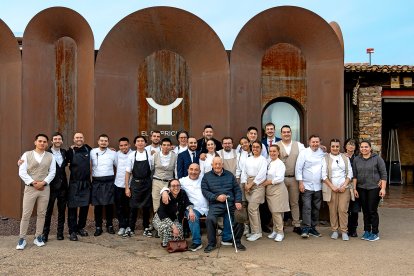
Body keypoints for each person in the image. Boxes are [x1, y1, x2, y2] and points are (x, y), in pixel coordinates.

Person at [16, 134, 56, 250]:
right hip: (30, 188)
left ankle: (38, 236)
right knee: (26, 214)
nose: (42, 143)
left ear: (47, 144)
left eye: (44, 142)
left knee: (42, 214)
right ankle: (22, 238)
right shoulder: (27, 154)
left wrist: (43, 183)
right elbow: (22, 172)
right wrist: (34, 183)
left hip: (44, 189)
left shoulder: (50, 156)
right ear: (35, 142)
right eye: (40, 141)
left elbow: (52, 172)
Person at [161, 163, 208, 251]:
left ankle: (216, 241)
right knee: (192, 217)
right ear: (188, 170)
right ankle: (197, 242)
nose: (193, 172)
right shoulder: (183, 181)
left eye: (196, 170)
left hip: (207, 207)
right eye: (191, 169)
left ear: (200, 171)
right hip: (192, 208)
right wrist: (164, 191)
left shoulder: (205, 179)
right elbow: (171, 185)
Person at [202, 157, 245, 252]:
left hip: (230, 203)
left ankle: (237, 241)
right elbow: (205, 191)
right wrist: (216, 197)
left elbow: (237, 190)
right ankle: (211, 243)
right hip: (216, 204)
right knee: (210, 219)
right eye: (215, 164)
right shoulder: (206, 176)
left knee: (240, 217)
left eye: (219, 164)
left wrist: (238, 201)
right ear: (212, 165)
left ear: (222, 164)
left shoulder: (229, 175)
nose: (217, 166)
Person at [352, 140, 387, 242]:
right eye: (362, 147)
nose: (364, 149)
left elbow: (383, 174)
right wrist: (354, 189)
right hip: (361, 188)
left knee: (372, 210)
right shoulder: (356, 159)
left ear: (370, 148)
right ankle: (367, 231)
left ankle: (375, 233)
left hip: (374, 188)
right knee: (365, 211)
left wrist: (383, 188)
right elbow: (354, 175)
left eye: (366, 147)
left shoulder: (377, 159)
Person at [276, 125, 306, 235]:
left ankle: (296, 224)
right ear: (281, 133)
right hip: (281, 178)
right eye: (284, 132)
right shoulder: (276, 145)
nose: (286, 134)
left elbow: (307, 155)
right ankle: (281, 225)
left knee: (294, 202)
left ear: (291, 133)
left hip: (294, 178)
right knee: (281, 202)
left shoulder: (299, 145)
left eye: (288, 132)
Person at [322, 139, 353, 241]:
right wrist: (332, 186)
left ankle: (344, 231)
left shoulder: (345, 157)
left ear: (340, 147)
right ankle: (334, 230)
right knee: (333, 210)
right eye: (333, 146)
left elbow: (350, 173)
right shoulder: (325, 158)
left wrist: (344, 185)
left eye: (337, 146)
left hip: (344, 188)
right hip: (331, 188)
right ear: (330, 147)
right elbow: (323, 175)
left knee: (343, 210)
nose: (335, 148)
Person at [295, 134, 325, 238]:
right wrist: (300, 183)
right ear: (309, 142)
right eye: (313, 142)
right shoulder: (304, 153)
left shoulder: (323, 153)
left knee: (316, 208)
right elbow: (298, 168)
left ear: (319, 143)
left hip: (318, 186)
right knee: (307, 207)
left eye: (317, 142)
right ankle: (306, 228)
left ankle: (313, 228)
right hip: (306, 185)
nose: (315, 144)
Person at [124, 135, 153, 237]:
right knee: (133, 207)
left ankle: (146, 227)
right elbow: (128, 172)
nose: (140, 143)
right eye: (138, 141)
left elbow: (152, 169)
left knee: (146, 207)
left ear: (145, 144)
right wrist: (127, 187)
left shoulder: (150, 155)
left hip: (147, 184)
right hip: (135, 184)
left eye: (142, 141)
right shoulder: (132, 155)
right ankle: (131, 228)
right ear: (135, 144)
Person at [43, 132, 68, 242]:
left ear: (62, 141)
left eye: (59, 139)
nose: (57, 141)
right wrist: (20, 162)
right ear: (52, 141)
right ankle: (45, 234)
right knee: (48, 211)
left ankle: (60, 233)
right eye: (55, 139)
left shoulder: (64, 152)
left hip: (63, 187)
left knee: (62, 211)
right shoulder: (46, 153)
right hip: (50, 187)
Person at [67, 132, 92, 241]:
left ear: (83, 138)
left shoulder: (88, 149)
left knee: (84, 207)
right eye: (77, 137)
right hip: (74, 183)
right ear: (73, 139)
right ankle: (72, 231)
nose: (79, 139)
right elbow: (58, 158)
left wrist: (110, 149)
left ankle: (80, 228)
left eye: (81, 137)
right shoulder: (70, 151)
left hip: (86, 183)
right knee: (72, 208)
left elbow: (100, 151)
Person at [90, 134, 117, 236]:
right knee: (98, 206)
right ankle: (98, 227)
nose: (103, 142)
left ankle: (110, 226)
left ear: (108, 142)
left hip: (109, 181)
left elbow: (118, 166)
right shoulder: (92, 151)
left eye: (105, 141)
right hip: (97, 181)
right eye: (101, 140)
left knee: (109, 205)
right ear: (98, 141)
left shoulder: (113, 153)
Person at [153, 179, 192, 247]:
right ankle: (167, 245)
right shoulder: (165, 196)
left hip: (175, 219)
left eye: (178, 185)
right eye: (173, 186)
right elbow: (162, 214)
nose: (176, 188)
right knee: (166, 228)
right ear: (169, 188)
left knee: (179, 230)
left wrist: (191, 211)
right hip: (161, 219)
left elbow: (187, 203)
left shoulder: (182, 193)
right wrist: (173, 227)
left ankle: (175, 244)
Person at [241, 141, 268, 241]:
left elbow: (262, 174)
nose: (255, 149)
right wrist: (245, 184)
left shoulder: (263, 160)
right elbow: (244, 172)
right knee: (253, 210)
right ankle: (255, 231)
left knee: (252, 208)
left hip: (258, 185)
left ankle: (257, 232)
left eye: (257, 147)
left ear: (261, 149)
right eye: (253, 147)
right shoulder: (248, 159)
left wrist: (251, 184)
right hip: (248, 184)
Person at [263, 144, 290, 242]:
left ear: (278, 153)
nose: (272, 153)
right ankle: (275, 230)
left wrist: (268, 182)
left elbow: (279, 178)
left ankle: (280, 232)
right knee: (274, 212)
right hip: (270, 190)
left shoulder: (280, 163)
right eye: (270, 151)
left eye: (274, 151)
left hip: (278, 189)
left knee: (277, 212)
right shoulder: (269, 162)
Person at [152, 138, 177, 215]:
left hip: (169, 182)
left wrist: (176, 182)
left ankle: (169, 223)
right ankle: (157, 223)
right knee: (156, 202)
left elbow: (175, 171)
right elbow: (151, 168)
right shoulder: (155, 155)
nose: (166, 147)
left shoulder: (175, 156)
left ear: (170, 146)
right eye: (164, 145)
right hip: (157, 181)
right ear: (161, 146)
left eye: (168, 145)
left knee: (169, 202)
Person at [114, 137, 132, 236]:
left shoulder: (133, 154)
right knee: (119, 207)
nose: (123, 147)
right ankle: (122, 226)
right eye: (121, 145)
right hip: (118, 184)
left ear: (129, 145)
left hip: (130, 186)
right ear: (119, 146)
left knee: (128, 206)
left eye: (125, 145)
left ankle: (129, 226)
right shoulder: (116, 154)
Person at [344, 138, 360, 237]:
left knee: (354, 208)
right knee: (345, 208)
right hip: (344, 184)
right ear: (345, 146)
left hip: (355, 185)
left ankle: (353, 229)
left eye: (353, 145)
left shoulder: (358, 158)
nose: (351, 146)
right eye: (349, 144)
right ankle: (344, 228)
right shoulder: (341, 156)